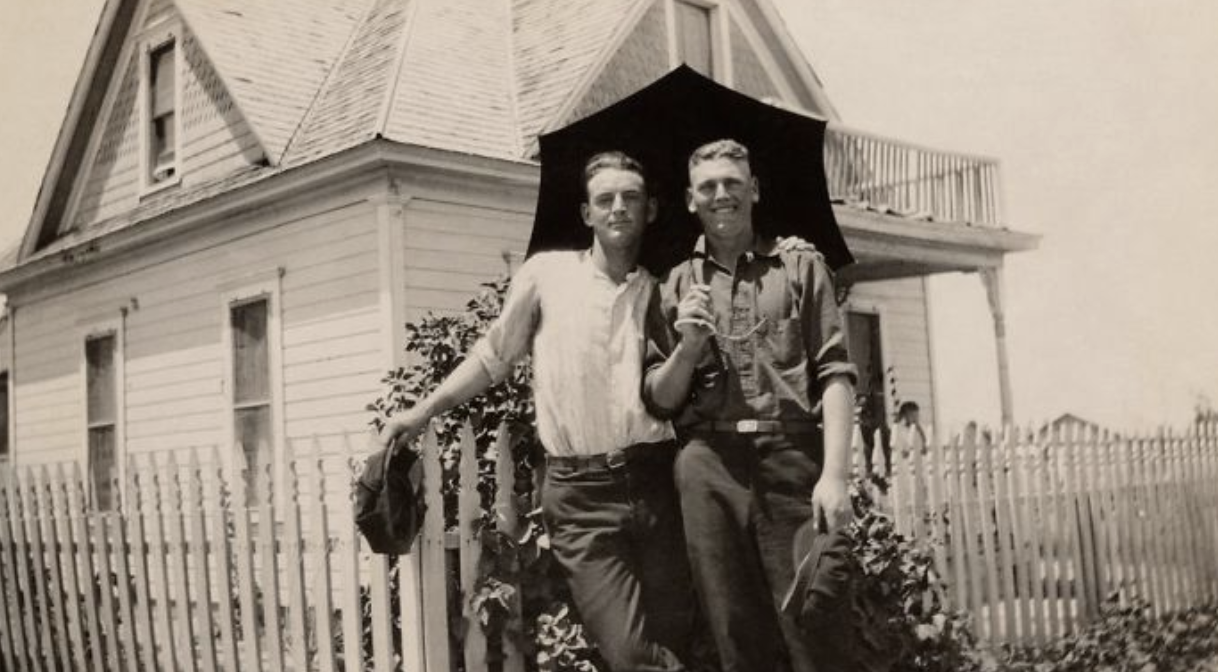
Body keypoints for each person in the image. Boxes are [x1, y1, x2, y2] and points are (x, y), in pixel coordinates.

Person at [380, 151, 693, 672]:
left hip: (657, 480)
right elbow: (492, 356)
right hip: (581, 495)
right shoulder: (547, 276)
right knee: (631, 654)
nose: (619, 208)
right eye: (605, 199)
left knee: (676, 638)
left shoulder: (662, 291)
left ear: (652, 210)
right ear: (586, 213)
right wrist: (421, 412)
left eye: (631, 198)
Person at [644, 139, 858, 672]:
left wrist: (835, 475)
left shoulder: (801, 267)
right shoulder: (673, 287)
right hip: (708, 464)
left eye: (733, 184)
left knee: (814, 622)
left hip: (790, 454)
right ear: (691, 200)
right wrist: (689, 344)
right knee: (734, 634)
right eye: (708, 187)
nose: (722, 195)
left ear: (754, 190)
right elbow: (661, 401)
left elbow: (835, 373)